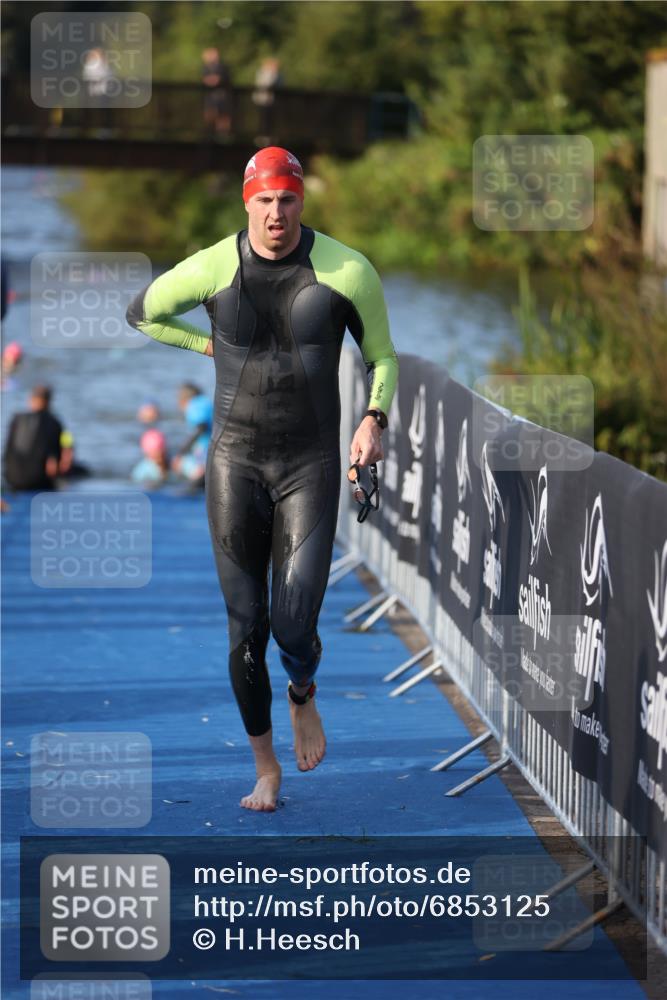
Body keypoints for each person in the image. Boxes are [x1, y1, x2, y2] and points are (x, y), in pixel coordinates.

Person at [126, 146, 398, 812]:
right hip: (234, 461)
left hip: (310, 463)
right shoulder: (215, 264)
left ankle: (302, 692)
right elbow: (141, 312)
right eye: (264, 201)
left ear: (301, 201)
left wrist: (372, 420)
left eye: (288, 200)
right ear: (246, 202)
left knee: (294, 624)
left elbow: (382, 356)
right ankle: (266, 766)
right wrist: (203, 344)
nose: (277, 213)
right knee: (246, 626)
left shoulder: (346, 269)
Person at [2, 385, 64, 491]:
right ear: (48, 402)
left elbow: (6, 453)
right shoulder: (53, 422)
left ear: (30, 400)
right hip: (37, 481)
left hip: (11, 480)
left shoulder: (16, 419)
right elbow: (54, 464)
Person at [201, 47, 232, 135]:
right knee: (209, 116)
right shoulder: (205, 68)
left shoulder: (223, 67)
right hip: (210, 97)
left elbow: (218, 80)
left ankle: (223, 136)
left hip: (222, 97)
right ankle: (209, 135)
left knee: (223, 117)